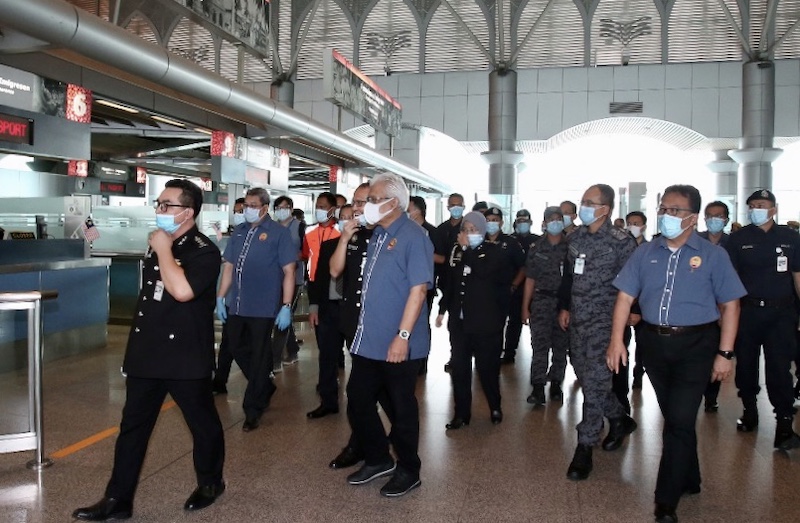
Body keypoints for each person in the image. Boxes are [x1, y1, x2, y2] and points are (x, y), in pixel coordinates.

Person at [73, 179, 225, 521]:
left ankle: (210, 482)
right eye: (158, 204)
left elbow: (182, 291)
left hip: (185, 355)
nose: (159, 210)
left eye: (167, 205)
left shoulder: (204, 250)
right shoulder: (160, 243)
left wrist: (164, 250)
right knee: (132, 428)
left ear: (187, 212)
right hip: (149, 352)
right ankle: (118, 499)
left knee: (203, 426)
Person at [607, 184, 745, 523]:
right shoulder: (646, 252)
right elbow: (624, 297)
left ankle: (665, 502)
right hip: (654, 344)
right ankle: (690, 477)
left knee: (680, 421)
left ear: (693, 217)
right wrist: (616, 341)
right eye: (664, 208)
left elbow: (731, 304)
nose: (667, 215)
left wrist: (725, 354)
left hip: (697, 346)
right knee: (677, 417)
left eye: (675, 210)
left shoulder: (713, 255)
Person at [345, 173, 433, 497]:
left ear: (393, 203)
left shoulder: (414, 236)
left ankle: (409, 469)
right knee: (358, 399)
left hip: (398, 341)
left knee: (401, 406)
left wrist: (403, 335)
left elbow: (419, 290)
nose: (367, 205)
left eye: (373, 199)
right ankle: (379, 458)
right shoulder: (377, 234)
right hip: (369, 339)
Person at [557, 183, 638, 481]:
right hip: (578, 320)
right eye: (583, 201)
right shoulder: (575, 237)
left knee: (595, 381)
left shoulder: (622, 242)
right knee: (586, 376)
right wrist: (564, 307)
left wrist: (634, 312)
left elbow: (633, 282)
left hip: (607, 323)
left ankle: (585, 446)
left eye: (590, 202)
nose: (584, 207)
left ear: (605, 208)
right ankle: (619, 419)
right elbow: (569, 275)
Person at [216, 187, 296, 432]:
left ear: (263, 207)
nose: (246, 210)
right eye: (244, 206)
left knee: (261, 354)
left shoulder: (278, 234)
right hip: (236, 304)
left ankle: (253, 409)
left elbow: (289, 271)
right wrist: (220, 297)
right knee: (237, 347)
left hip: (263, 306)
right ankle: (264, 385)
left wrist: (285, 305)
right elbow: (228, 267)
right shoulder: (238, 233)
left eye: (251, 205)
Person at [726, 189, 800, 449]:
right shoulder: (737, 239)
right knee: (745, 364)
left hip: (782, 313)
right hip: (747, 312)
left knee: (780, 368)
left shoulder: (791, 238)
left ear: (774, 209)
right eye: (753, 204)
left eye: (762, 204)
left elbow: (797, 276)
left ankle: (784, 422)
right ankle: (749, 410)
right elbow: (730, 280)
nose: (757, 208)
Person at [439, 211, 510, 429]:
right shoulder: (457, 252)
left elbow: (484, 272)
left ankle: (495, 405)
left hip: (485, 322)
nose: (468, 234)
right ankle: (461, 413)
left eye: (473, 230)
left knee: (486, 369)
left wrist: (468, 249)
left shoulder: (494, 252)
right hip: (460, 323)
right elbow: (450, 282)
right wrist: (443, 309)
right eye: (465, 229)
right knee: (460, 369)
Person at [306, 204, 352, 419]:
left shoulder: (365, 246)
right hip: (329, 308)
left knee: (360, 360)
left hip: (353, 310)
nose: (345, 221)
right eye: (341, 217)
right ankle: (328, 401)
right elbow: (317, 278)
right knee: (327, 357)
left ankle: (360, 402)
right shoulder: (329, 245)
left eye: (349, 217)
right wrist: (314, 306)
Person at [521, 206, 569, 405]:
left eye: (559, 218)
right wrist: (525, 306)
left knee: (560, 346)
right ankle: (538, 387)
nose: (555, 222)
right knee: (539, 346)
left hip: (564, 303)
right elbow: (530, 279)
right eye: (551, 219)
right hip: (541, 302)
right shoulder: (536, 247)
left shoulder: (571, 246)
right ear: (544, 222)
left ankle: (556, 383)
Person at [611, 211, 648, 410]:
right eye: (630, 222)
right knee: (620, 347)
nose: (632, 225)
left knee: (642, 345)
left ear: (643, 226)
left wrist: (637, 309)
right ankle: (620, 398)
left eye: (636, 223)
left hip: (643, 308)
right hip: (622, 306)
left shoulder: (649, 248)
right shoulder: (621, 244)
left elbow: (647, 284)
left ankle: (639, 373)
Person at [697, 200, 731, 412]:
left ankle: (711, 396)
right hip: (700, 308)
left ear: (726, 219)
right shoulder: (695, 241)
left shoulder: (733, 243)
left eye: (718, 216)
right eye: (710, 215)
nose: (713, 219)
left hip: (724, 310)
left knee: (716, 352)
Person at [483, 207, 526, 364]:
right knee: (485, 325)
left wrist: (514, 285)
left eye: (495, 220)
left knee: (502, 324)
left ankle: (503, 353)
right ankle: (485, 354)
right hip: (483, 292)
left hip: (504, 291)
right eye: (488, 220)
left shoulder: (511, 243)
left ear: (501, 222)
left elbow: (523, 267)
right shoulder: (479, 241)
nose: (491, 223)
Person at [213, 197, 246, 394]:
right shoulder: (233, 235)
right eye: (236, 210)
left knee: (245, 343)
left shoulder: (261, 236)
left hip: (251, 300)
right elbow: (226, 267)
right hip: (231, 298)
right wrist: (220, 297)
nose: (239, 213)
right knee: (229, 341)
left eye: (242, 209)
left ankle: (262, 380)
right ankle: (220, 380)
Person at [271, 195, 306, 371]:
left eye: (284, 207)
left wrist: (289, 258)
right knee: (283, 315)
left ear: (291, 208)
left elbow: (306, 252)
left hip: (294, 277)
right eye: (277, 207)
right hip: (275, 277)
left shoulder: (299, 227)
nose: (280, 210)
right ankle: (292, 349)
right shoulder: (273, 227)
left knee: (282, 314)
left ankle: (275, 359)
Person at [434, 193, 466, 372]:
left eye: (458, 205)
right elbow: (436, 256)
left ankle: (463, 355)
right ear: (447, 207)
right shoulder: (441, 230)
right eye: (452, 205)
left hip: (465, 282)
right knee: (453, 323)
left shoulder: (468, 229)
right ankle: (455, 357)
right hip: (447, 281)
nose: (456, 208)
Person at [407, 195, 438, 375]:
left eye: (409, 208)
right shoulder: (406, 230)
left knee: (421, 322)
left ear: (418, 210)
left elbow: (443, 258)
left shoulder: (431, 232)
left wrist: (423, 253)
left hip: (426, 285)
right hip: (408, 286)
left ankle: (421, 361)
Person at [507, 209, 540, 365]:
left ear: (531, 222)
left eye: (525, 221)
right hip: (515, 287)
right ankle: (509, 352)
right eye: (519, 221)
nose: (522, 224)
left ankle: (538, 357)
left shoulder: (538, 241)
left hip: (535, 289)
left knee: (537, 324)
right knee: (514, 322)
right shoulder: (510, 240)